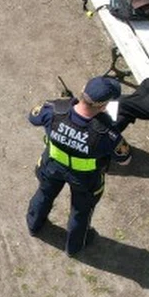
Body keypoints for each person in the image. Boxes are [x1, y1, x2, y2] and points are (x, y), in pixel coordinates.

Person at [26, 75, 132, 255]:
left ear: (83, 89)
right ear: (104, 106)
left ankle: (33, 225)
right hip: (85, 179)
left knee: (43, 194)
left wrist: (64, 102)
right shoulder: (107, 133)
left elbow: (32, 117)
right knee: (81, 212)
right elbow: (125, 159)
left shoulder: (54, 110)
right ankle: (74, 247)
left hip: (51, 167)